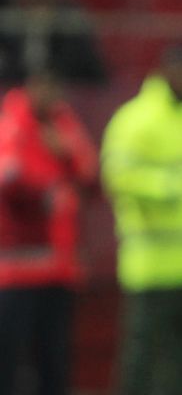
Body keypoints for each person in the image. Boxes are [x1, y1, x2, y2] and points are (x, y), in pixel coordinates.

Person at [101, 44, 182, 395]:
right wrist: (177, 184)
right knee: (142, 362)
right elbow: (117, 177)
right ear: (168, 69)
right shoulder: (135, 118)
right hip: (152, 267)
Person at [0, 65, 97, 395]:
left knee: (54, 360)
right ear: (31, 87)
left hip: (59, 267)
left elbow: (89, 171)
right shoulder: (13, 121)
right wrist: (50, 189)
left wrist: (66, 153)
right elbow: (10, 178)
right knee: (8, 360)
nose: (52, 97)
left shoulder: (62, 122)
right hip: (18, 269)